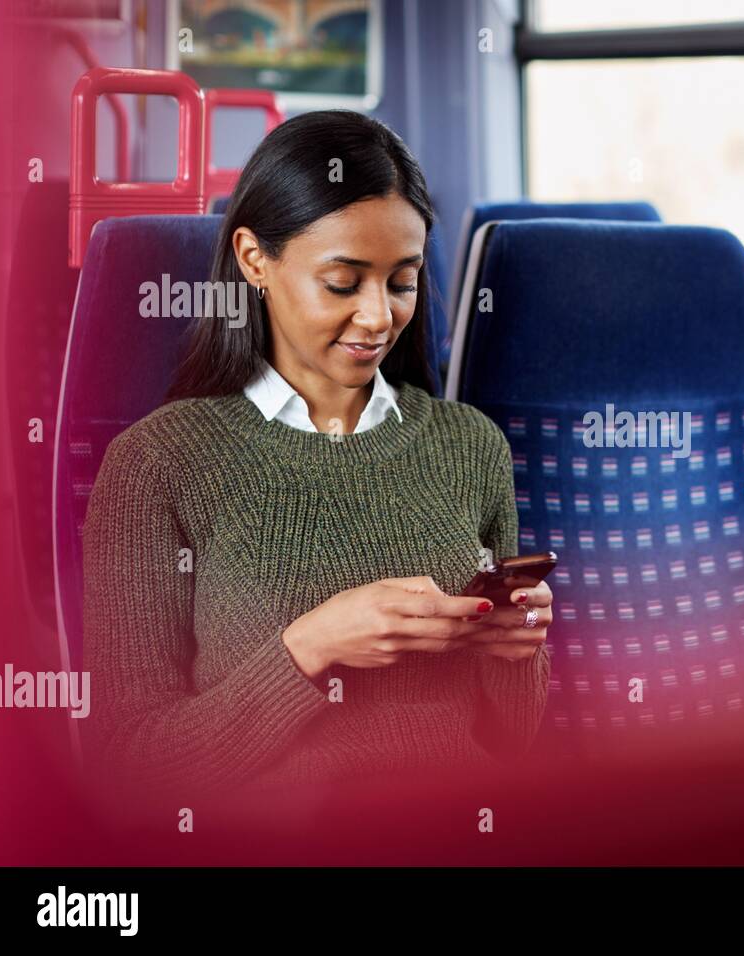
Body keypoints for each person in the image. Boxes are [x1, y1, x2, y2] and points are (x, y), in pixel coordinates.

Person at [80, 110, 551, 804]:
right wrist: (309, 649)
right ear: (254, 260)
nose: (377, 317)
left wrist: (517, 652)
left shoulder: (470, 444)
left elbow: (513, 741)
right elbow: (126, 774)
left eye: (401, 282)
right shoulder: (159, 464)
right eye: (342, 282)